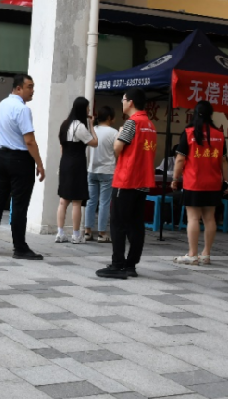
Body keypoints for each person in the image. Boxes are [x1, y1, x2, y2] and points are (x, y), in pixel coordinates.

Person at [0, 74, 45, 260]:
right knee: (19, 204)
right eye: (29, 87)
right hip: (20, 159)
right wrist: (40, 164)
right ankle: (20, 247)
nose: (32, 90)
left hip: (2, 157)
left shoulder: (2, 104)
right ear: (18, 88)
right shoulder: (22, 110)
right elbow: (30, 141)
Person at [97, 88, 156, 279]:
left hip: (127, 179)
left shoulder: (132, 123)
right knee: (136, 225)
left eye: (123, 99)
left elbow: (118, 148)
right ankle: (131, 265)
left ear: (130, 102)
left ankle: (117, 264)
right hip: (143, 181)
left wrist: (120, 133)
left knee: (118, 223)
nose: (122, 102)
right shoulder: (150, 124)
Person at [171, 101, 228, 266]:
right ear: (211, 115)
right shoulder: (219, 135)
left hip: (194, 182)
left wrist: (175, 178)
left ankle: (192, 254)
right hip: (213, 183)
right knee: (209, 218)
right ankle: (206, 254)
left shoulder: (189, 133)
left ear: (195, 114)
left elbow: (180, 159)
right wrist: (225, 181)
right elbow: (224, 161)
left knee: (193, 218)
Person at [56, 97, 97, 243]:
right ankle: (76, 234)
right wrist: (91, 125)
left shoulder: (64, 124)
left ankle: (60, 233)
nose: (89, 110)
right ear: (82, 109)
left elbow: (62, 146)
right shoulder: (79, 126)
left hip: (65, 162)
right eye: (87, 107)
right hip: (77, 164)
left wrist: (62, 165)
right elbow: (94, 142)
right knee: (76, 201)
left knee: (63, 200)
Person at [85, 106, 118, 243]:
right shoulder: (114, 133)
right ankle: (102, 233)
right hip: (107, 170)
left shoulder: (93, 130)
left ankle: (87, 231)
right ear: (110, 118)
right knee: (104, 203)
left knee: (91, 201)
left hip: (92, 169)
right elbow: (117, 151)